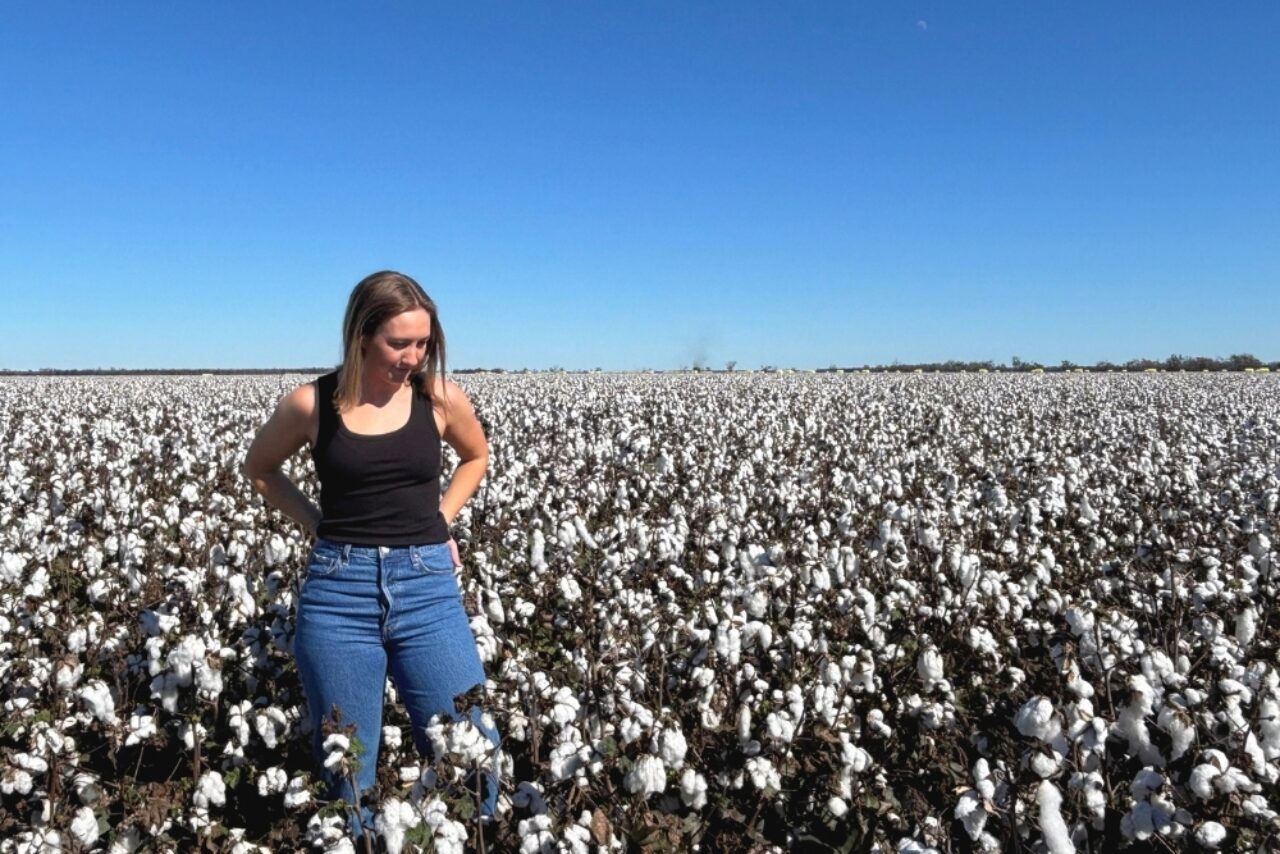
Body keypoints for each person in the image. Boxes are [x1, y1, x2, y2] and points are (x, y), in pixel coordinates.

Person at [242, 270, 499, 837]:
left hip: (427, 585)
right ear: (361, 336)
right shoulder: (313, 403)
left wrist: (441, 518)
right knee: (347, 763)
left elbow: (475, 457)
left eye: (423, 343)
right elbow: (260, 469)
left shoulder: (439, 398)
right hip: (338, 593)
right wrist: (316, 523)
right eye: (398, 343)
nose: (413, 356)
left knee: (471, 745)